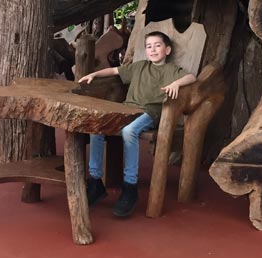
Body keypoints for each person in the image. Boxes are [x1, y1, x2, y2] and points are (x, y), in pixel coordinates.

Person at [77, 31, 197, 218]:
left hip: (150, 112)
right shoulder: (139, 66)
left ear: (167, 50)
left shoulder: (171, 70)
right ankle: (95, 182)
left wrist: (177, 84)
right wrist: (94, 74)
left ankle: (130, 186)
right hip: (128, 109)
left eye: (157, 45)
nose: (153, 49)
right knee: (96, 127)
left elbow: (192, 78)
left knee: (129, 132)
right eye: (149, 46)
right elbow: (115, 70)